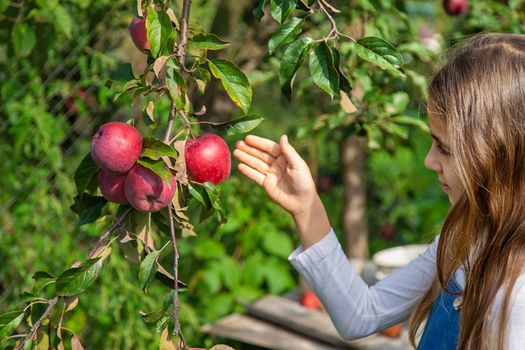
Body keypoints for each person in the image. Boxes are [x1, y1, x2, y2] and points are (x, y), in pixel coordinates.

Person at [232, 33, 525, 350]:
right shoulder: (465, 239)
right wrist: (306, 207)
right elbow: (361, 313)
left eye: (445, 149)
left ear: (498, 156)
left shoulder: (518, 297)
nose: (428, 161)